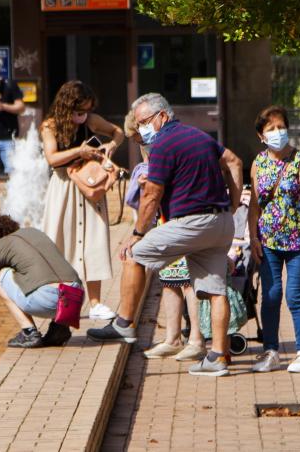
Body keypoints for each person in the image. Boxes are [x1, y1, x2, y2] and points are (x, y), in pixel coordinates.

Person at [87, 93, 243, 377]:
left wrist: (136, 233)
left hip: (191, 223)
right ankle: (219, 357)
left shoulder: (162, 145)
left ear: (162, 116)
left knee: (132, 254)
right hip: (219, 223)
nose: (142, 128)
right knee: (216, 290)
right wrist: (231, 206)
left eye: (144, 121)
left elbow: (151, 196)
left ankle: (124, 323)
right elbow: (234, 161)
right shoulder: (200, 136)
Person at [248, 105, 300, 373]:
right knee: (270, 296)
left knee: (296, 296)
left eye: (281, 127)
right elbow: (254, 206)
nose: (277, 132)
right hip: (268, 241)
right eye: (271, 129)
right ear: (261, 135)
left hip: (299, 242)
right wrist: (253, 237)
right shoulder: (258, 163)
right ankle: (271, 352)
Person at [123, 111, 206, 361]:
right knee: (170, 280)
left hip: (183, 222)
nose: (141, 141)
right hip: (163, 224)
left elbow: (180, 181)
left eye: (140, 134)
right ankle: (173, 337)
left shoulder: (172, 145)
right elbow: (136, 200)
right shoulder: (149, 152)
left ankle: (196, 339)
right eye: (137, 139)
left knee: (189, 282)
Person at [40, 80, 125, 321]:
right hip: (64, 187)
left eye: (86, 110)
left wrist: (111, 145)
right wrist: (80, 151)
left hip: (89, 186)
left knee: (93, 241)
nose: (83, 116)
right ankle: (64, 300)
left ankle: (96, 302)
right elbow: (52, 157)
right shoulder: (50, 125)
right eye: (79, 111)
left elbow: (117, 131)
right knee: (61, 240)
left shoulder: (91, 120)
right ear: (67, 106)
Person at [0, 215, 83, 368]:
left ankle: (29, 332)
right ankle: (59, 327)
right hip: (76, 295)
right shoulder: (33, 232)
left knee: (2, 277)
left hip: (49, 300)